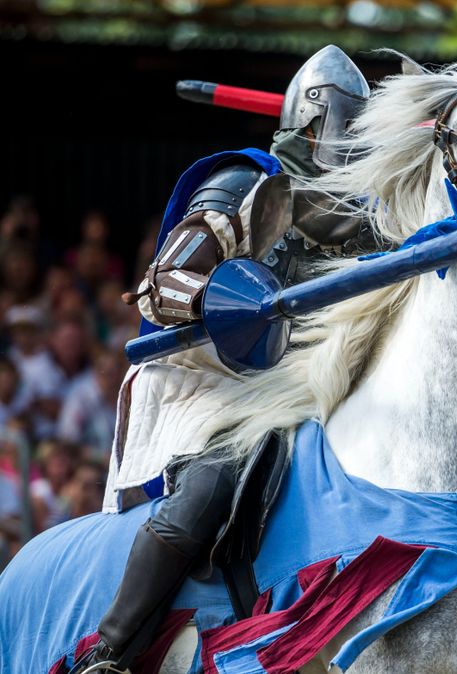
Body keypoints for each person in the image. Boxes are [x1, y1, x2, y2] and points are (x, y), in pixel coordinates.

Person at [72, 45, 371, 672]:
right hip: (206, 382)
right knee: (210, 487)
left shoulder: (360, 221)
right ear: (315, 121)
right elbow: (163, 284)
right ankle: (113, 650)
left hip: (297, 393)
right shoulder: (245, 185)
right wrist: (223, 298)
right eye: (349, 128)